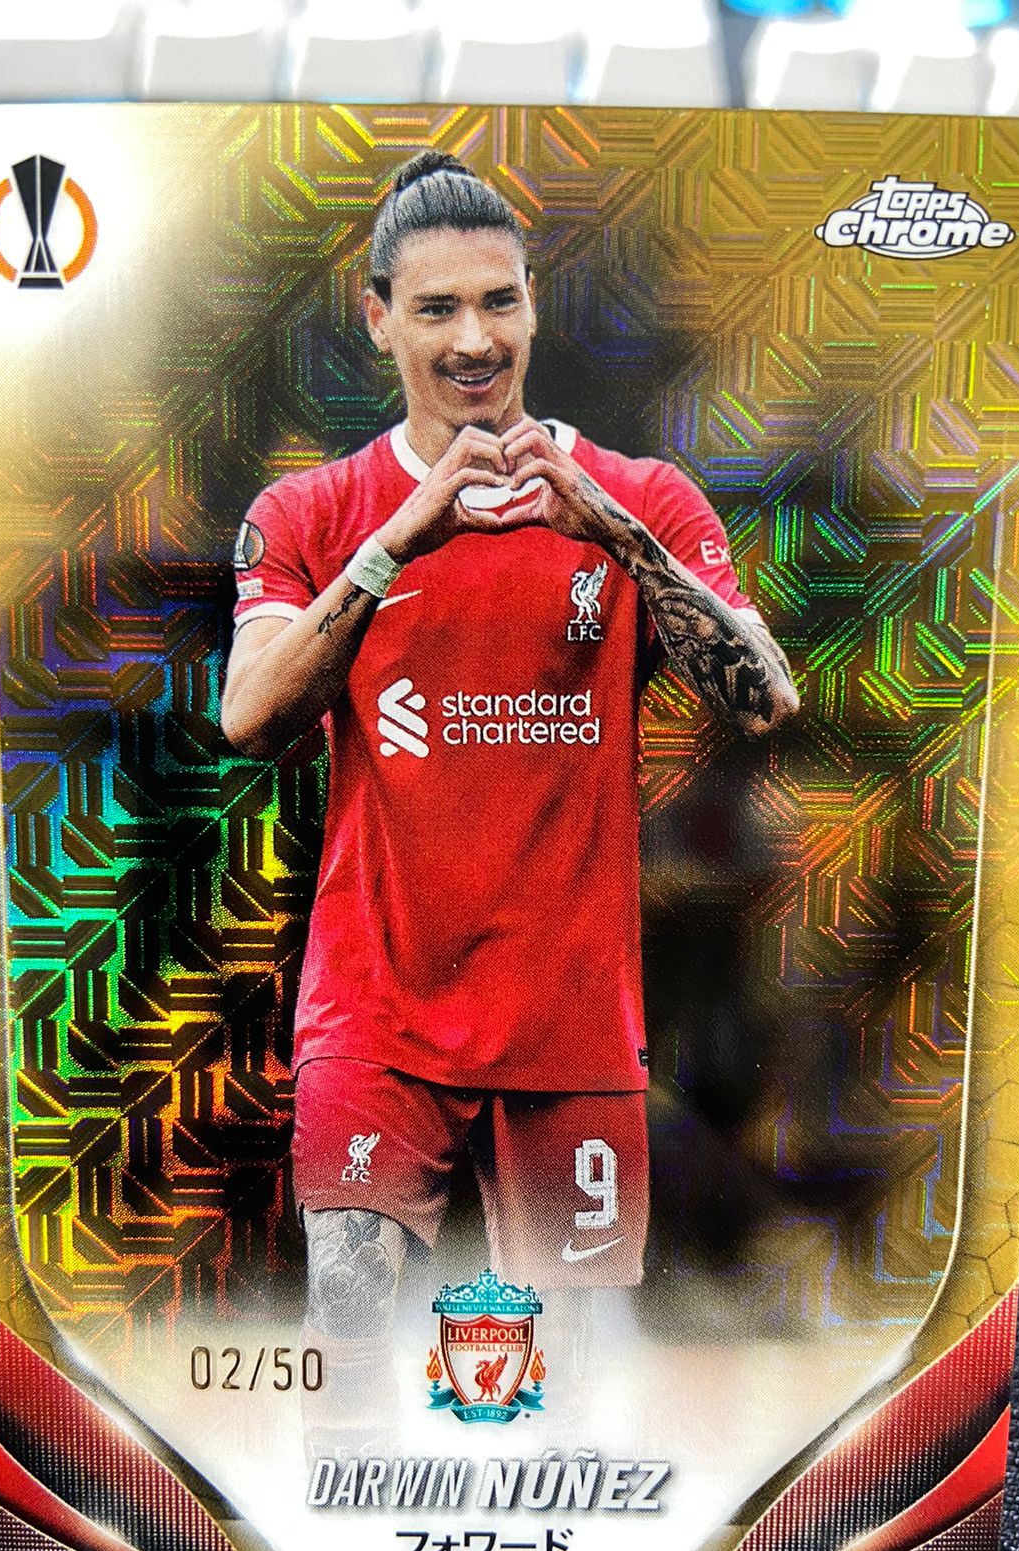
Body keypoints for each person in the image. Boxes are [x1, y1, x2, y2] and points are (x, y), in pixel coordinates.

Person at [221, 151, 797, 1438]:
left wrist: (616, 538)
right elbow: (250, 714)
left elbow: (764, 698)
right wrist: (398, 543)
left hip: (570, 1014)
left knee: (567, 1391)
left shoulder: (637, 498)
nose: (474, 339)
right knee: (349, 1330)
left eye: (499, 301)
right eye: (437, 308)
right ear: (379, 318)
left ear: (533, 306)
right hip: (378, 1002)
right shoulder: (314, 511)